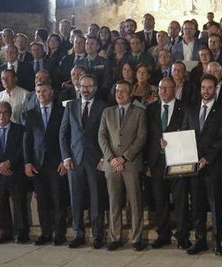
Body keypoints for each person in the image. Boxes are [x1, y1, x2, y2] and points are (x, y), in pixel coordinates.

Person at [183, 74, 222, 256]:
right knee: (197, 205)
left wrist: (207, 158)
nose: (206, 91)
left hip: (214, 165)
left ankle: (217, 242)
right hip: (194, 165)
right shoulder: (192, 108)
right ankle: (200, 240)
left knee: (215, 205)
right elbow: (186, 133)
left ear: (216, 89)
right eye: (203, 87)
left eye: (210, 88)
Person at [98, 80, 147, 251]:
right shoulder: (107, 112)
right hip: (111, 165)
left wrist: (124, 158)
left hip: (131, 163)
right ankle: (115, 237)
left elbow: (141, 138)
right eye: (117, 91)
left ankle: (136, 238)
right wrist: (111, 158)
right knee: (114, 202)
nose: (119, 94)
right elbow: (102, 137)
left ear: (131, 92)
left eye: (123, 91)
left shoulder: (140, 112)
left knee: (135, 202)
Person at [60, 73, 108, 248]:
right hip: (74, 160)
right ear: (78, 87)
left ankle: (97, 236)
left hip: (96, 160)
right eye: (82, 86)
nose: (85, 89)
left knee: (97, 199)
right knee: (76, 199)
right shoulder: (71, 106)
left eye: (88, 86)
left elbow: (107, 134)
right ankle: (78, 234)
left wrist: (104, 158)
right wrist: (65, 157)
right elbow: (63, 134)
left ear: (94, 88)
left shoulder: (103, 107)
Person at [144, 77, 187, 250]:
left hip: (178, 160)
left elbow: (189, 132)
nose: (163, 91)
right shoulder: (150, 109)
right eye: (161, 88)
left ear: (175, 89)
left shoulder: (185, 107)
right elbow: (146, 137)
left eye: (167, 88)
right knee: (160, 201)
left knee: (180, 200)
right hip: (157, 161)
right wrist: (147, 162)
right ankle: (163, 235)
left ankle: (183, 236)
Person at [24, 82, 68, 246]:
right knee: (42, 201)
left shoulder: (62, 111)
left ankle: (60, 233)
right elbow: (27, 140)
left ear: (51, 92)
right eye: (38, 91)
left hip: (57, 163)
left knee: (58, 200)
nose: (41, 94)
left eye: (44, 91)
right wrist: (27, 162)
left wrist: (65, 160)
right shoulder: (30, 114)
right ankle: (45, 233)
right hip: (38, 165)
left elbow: (66, 137)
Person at [0, 101, 29, 244]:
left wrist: (9, 163)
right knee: (1, 204)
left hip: (15, 172)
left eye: (4, 112)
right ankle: (5, 232)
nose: (1, 116)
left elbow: (22, 150)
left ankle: (21, 233)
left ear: (10, 114)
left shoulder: (20, 130)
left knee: (19, 203)